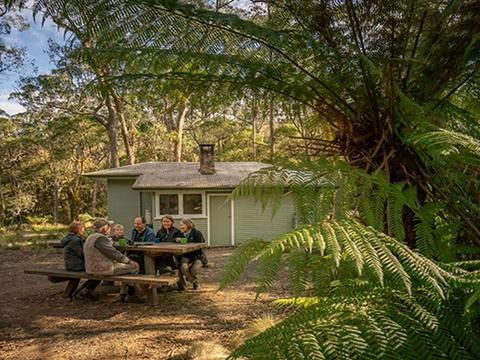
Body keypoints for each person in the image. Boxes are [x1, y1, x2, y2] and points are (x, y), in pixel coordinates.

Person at [84, 218, 140, 301]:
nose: (110, 229)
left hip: (90, 268)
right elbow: (114, 254)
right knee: (134, 266)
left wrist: (109, 243)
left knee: (125, 268)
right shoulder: (101, 238)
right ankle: (131, 295)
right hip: (103, 268)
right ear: (104, 229)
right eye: (109, 227)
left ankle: (123, 292)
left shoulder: (91, 237)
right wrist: (129, 261)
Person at [61, 221, 101, 300]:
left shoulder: (72, 238)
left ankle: (81, 291)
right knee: (99, 272)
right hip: (75, 266)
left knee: (97, 270)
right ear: (77, 230)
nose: (84, 230)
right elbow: (82, 254)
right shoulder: (74, 241)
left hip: (72, 264)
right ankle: (85, 291)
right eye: (82, 229)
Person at [177, 218, 208, 290]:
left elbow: (201, 243)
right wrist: (178, 240)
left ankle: (190, 276)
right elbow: (174, 239)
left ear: (188, 225)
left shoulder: (196, 233)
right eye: (180, 225)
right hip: (185, 256)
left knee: (194, 270)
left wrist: (184, 240)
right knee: (183, 268)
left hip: (197, 256)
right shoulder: (180, 233)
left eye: (182, 225)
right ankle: (195, 282)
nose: (180, 227)